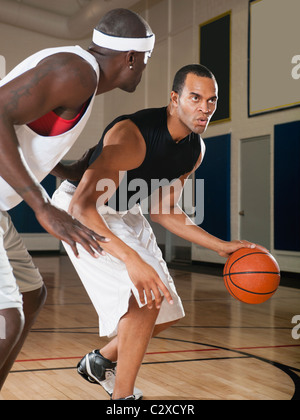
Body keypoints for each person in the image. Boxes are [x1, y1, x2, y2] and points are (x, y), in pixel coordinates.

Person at [52, 64, 256, 400]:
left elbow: (164, 210)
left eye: (211, 100)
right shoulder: (132, 134)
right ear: (175, 99)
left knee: (165, 308)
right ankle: (123, 399)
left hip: (124, 212)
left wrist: (220, 246)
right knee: (144, 299)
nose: (205, 108)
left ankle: (99, 362)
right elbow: (82, 207)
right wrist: (132, 259)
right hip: (80, 212)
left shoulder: (194, 150)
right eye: (195, 98)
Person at [0, 8, 156, 390]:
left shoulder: (79, 75)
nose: (144, 69)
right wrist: (42, 206)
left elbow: (24, 132)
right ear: (131, 58)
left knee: (30, 296)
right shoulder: (76, 72)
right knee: (8, 316)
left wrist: (68, 170)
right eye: (146, 61)